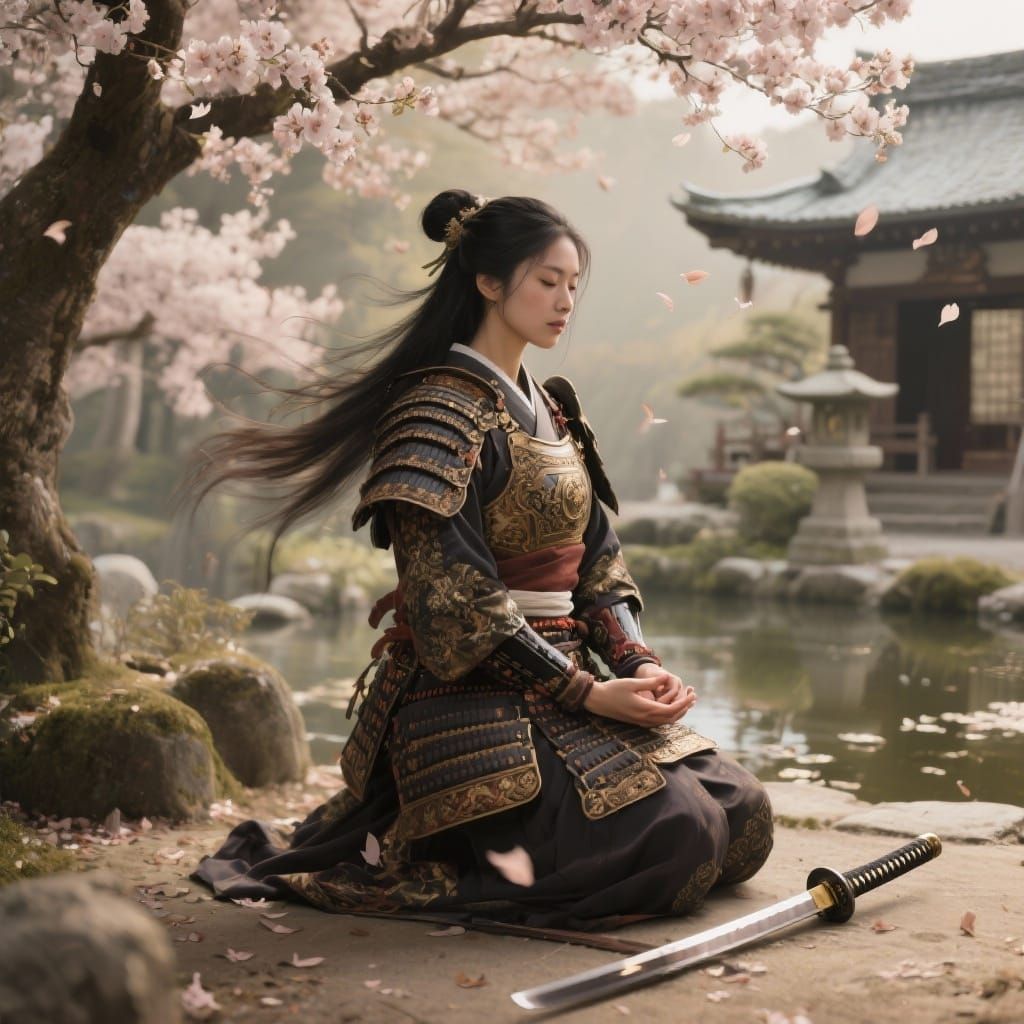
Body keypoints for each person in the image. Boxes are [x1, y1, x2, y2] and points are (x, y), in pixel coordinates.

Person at [186, 189, 773, 931]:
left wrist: (634, 664)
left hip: (572, 669)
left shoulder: (555, 410)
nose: (564, 301)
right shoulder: (433, 413)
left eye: (571, 284)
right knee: (682, 839)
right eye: (546, 282)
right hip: (469, 687)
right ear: (489, 283)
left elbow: (599, 563)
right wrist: (586, 693)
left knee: (743, 816)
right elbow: (455, 602)